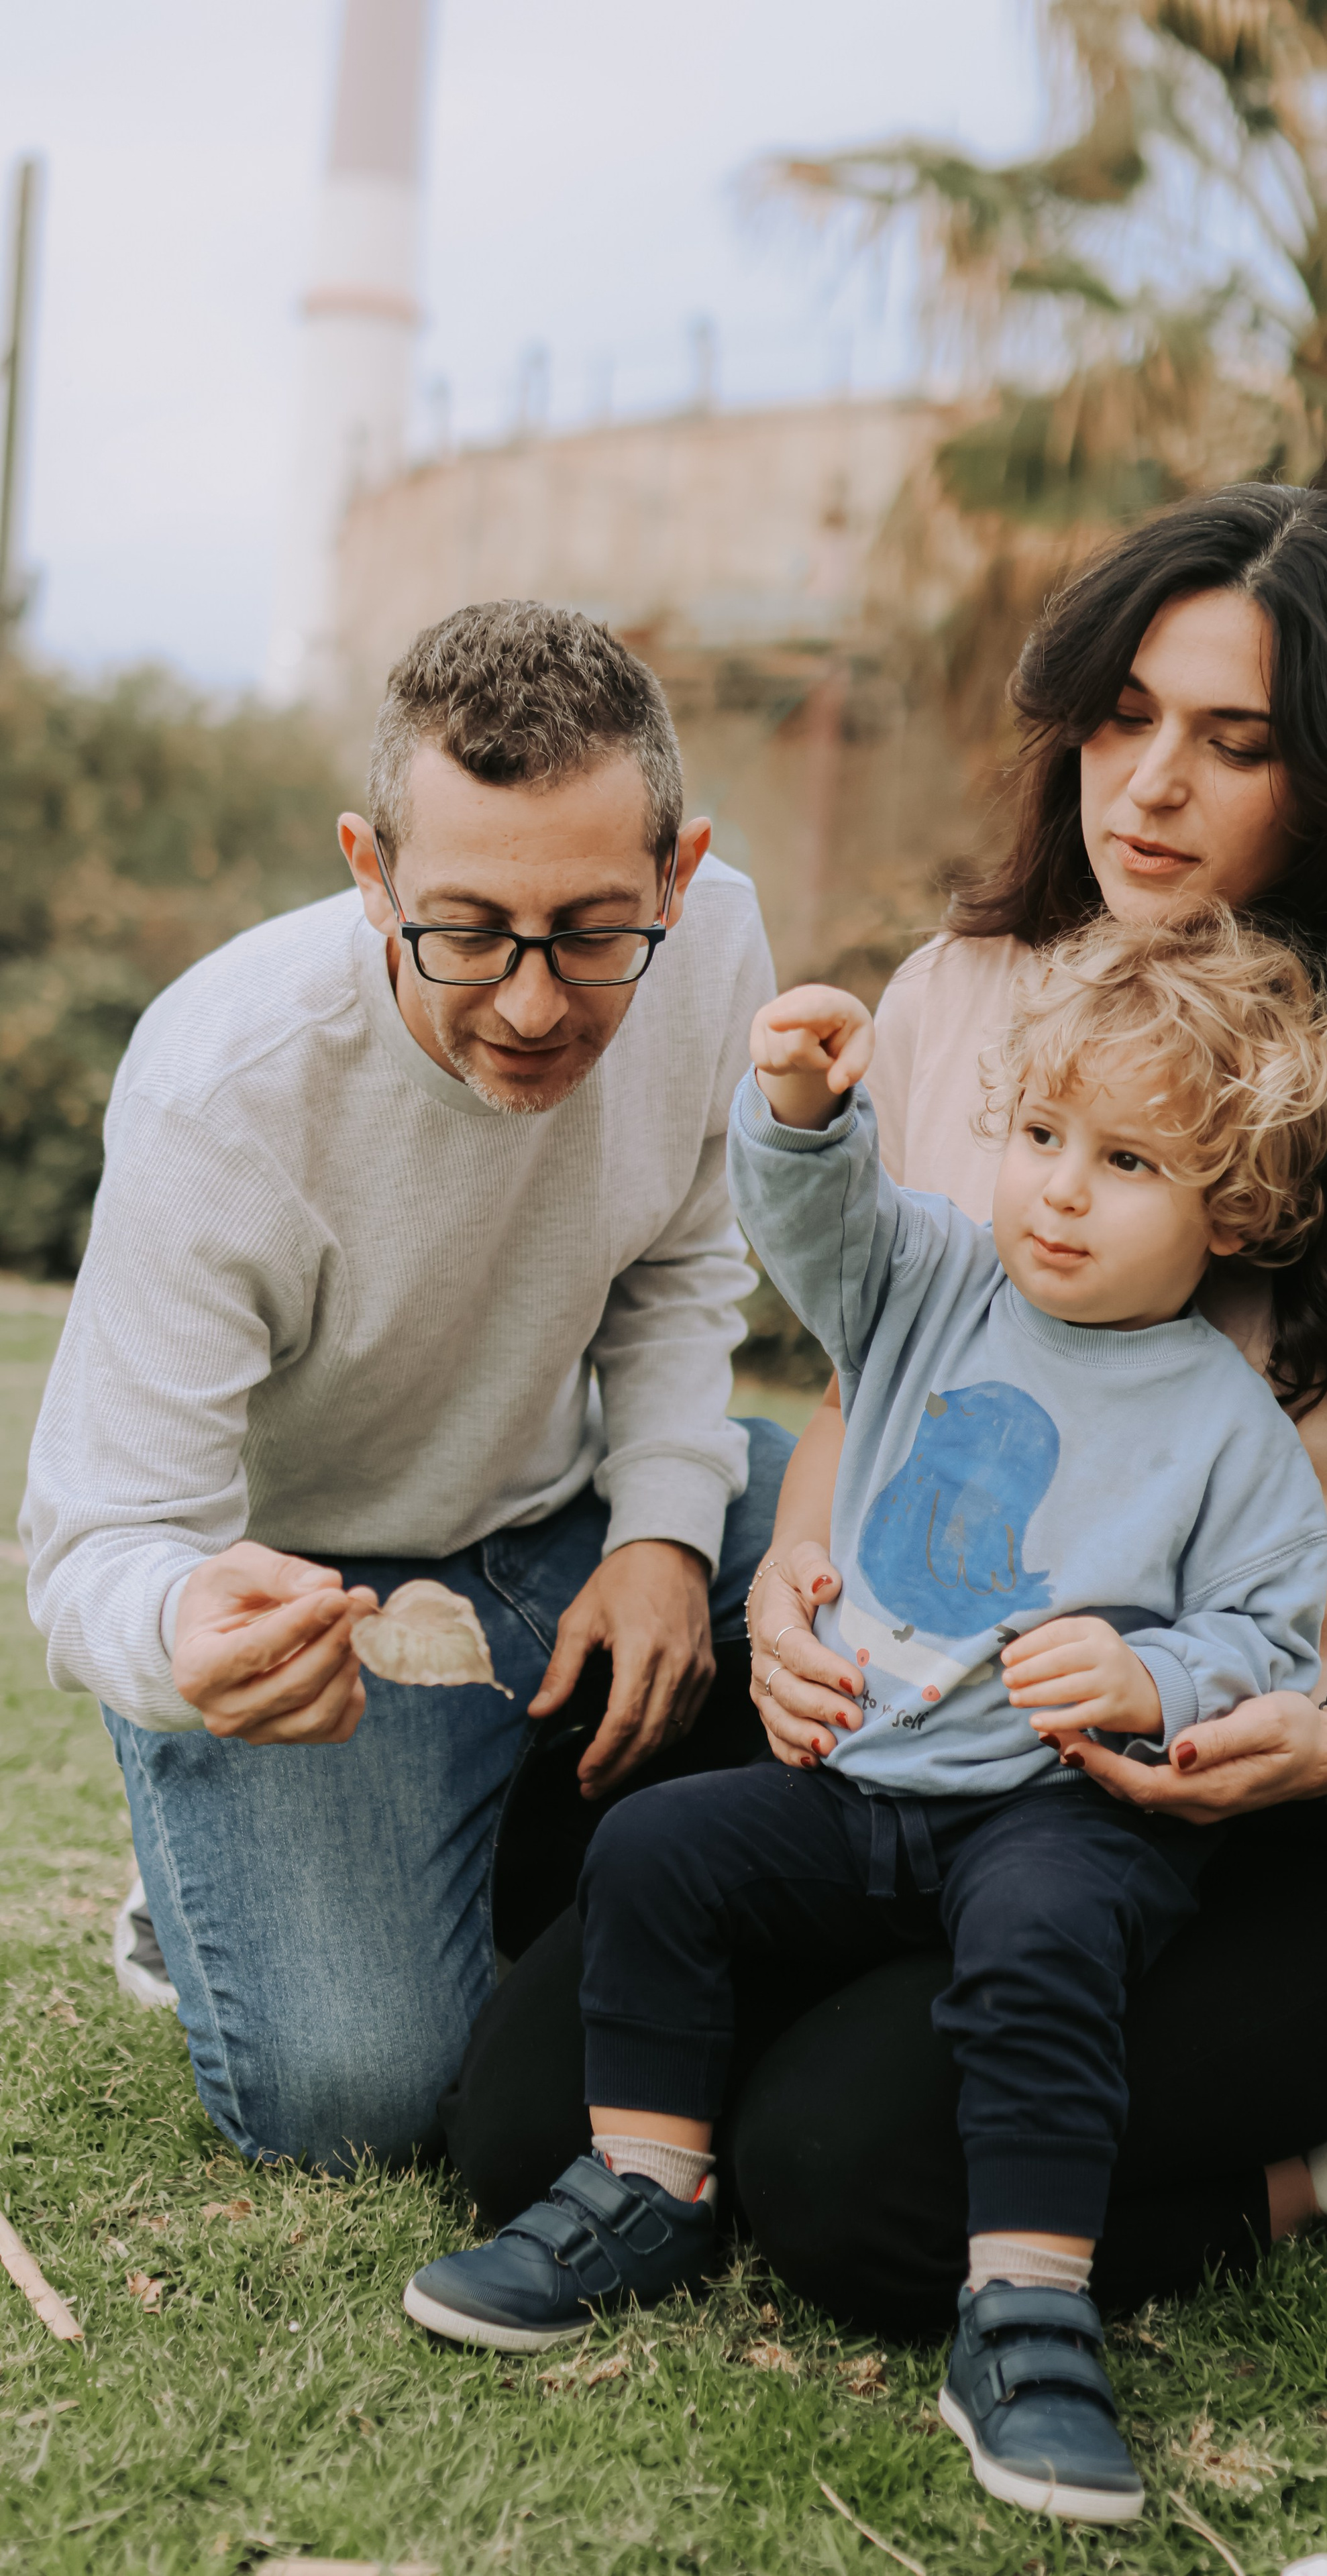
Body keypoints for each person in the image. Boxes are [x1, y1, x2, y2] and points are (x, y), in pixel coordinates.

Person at [437, 486, 1327, 2336]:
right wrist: (794, 1579)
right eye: (1121, 716)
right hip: (948, 1749)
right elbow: (901, 1367)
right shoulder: (977, 995)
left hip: (1303, 1820)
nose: (1149, 785)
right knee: (525, 2122)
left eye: (1232, 742)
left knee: (848, 2187)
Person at [403, 914, 1327, 2522]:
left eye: (1124, 1163)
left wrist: (1150, 1680)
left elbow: (1269, 1634)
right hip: (863, 1778)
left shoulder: (1223, 1424)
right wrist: (800, 1108)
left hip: (1060, 1808)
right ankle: (646, 2183)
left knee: (1045, 1934)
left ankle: (1026, 2304)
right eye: (1041, 1135)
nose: (1056, 1187)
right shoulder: (932, 1280)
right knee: (658, 1850)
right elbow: (812, 1221)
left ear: (1231, 1207)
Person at [21, 600, 792, 2171]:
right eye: (466, 930)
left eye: (591, 932)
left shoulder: (714, 951)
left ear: (678, 871)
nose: (527, 1003)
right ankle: (211, 1876)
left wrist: (659, 1530)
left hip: (568, 1521)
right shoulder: (221, 1088)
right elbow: (94, 1542)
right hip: (321, 1608)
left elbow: (680, 1263)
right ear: (369, 871)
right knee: (355, 2102)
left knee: (886, 1555)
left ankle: (497, 1821)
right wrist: (185, 1640)